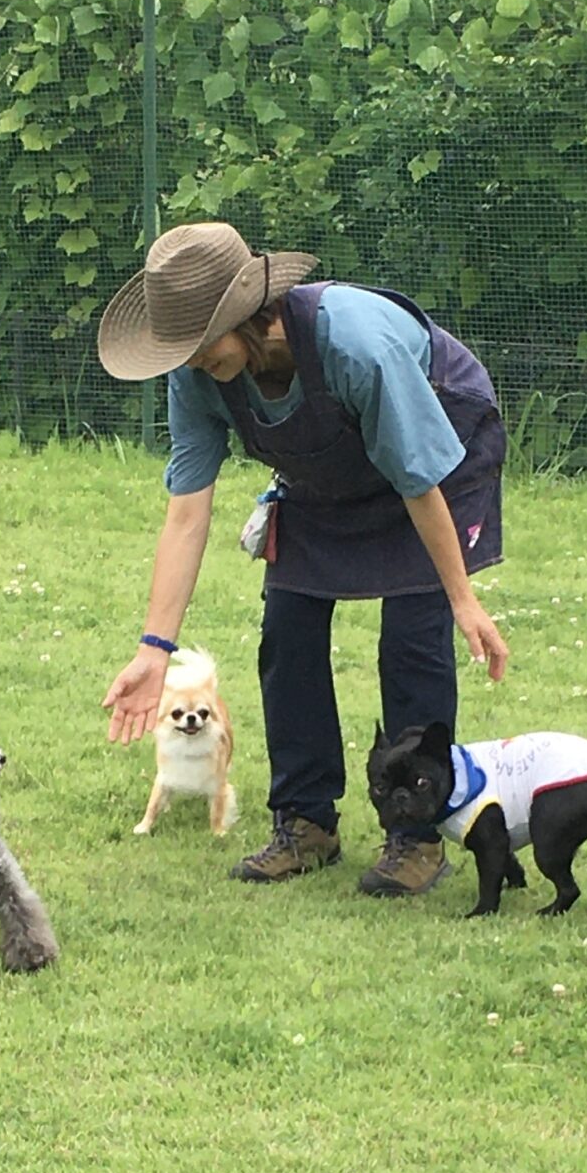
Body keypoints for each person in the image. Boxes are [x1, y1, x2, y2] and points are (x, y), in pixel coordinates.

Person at [98, 221, 510, 896]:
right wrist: (154, 649)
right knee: (288, 624)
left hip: (436, 454)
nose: (193, 362)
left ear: (249, 316)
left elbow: (417, 477)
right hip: (329, 473)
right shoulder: (198, 375)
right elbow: (187, 511)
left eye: (201, 344)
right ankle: (305, 823)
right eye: (181, 350)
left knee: (413, 634)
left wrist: (461, 598)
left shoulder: (354, 346)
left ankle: (416, 839)